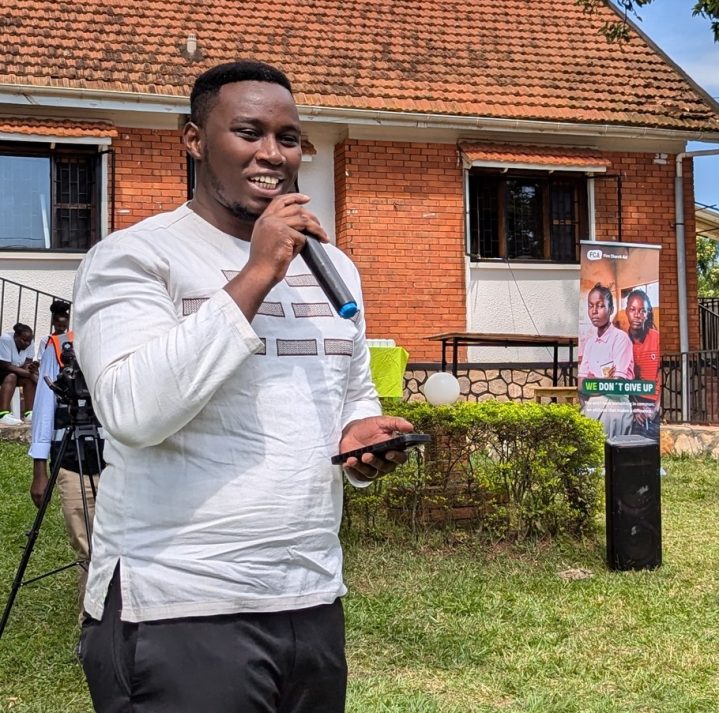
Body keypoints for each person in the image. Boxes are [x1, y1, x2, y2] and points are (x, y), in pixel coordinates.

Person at [73, 60, 413, 713]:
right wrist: (257, 272)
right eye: (248, 132)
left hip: (310, 597)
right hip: (180, 604)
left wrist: (364, 438)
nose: (272, 154)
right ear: (194, 139)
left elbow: (349, 397)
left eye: (288, 138)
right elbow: (134, 410)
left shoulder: (333, 266)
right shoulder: (136, 257)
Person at [27, 299, 99, 622]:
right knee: (84, 539)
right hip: (71, 459)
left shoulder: (111, 339)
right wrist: (39, 470)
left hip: (113, 457)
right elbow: (43, 409)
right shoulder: (58, 348)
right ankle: (91, 619)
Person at [578, 283, 634, 438]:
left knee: (612, 455)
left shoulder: (620, 339)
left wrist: (594, 383)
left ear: (611, 309)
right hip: (593, 406)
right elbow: (581, 384)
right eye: (591, 306)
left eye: (600, 306)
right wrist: (604, 381)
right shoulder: (590, 343)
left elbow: (617, 385)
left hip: (615, 408)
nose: (594, 311)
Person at [624, 289, 661, 439]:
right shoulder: (621, 341)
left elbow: (663, 376)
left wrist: (654, 409)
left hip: (654, 403)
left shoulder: (657, 339)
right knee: (632, 437)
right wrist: (635, 407)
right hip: (630, 402)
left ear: (648, 313)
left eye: (642, 311)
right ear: (626, 311)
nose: (637, 315)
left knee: (653, 438)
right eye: (632, 310)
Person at [0, 322, 37, 425]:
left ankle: (29, 414)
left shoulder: (30, 342)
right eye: (24, 340)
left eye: (29, 341)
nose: (27, 343)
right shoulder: (6, 339)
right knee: (11, 376)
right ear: (16, 336)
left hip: (15, 373)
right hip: (2, 371)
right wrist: (29, 373)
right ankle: (3, 415)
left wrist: (31, 370)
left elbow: (27, 363)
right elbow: (5, 365)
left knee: (29, 380)